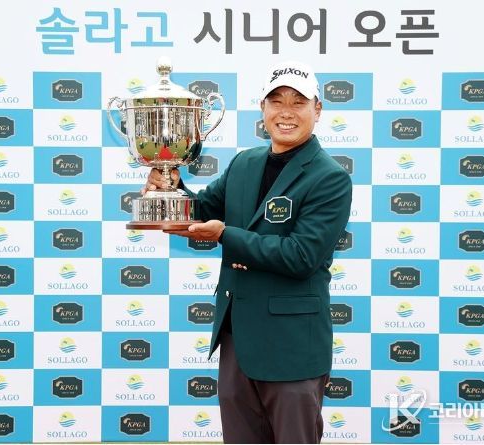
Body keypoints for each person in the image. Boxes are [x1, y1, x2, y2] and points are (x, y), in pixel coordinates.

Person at [143, 60, 352, 443]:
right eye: (276, 101)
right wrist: (170, 189)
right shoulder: (245, 162)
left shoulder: (330, 177)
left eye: (298, 102)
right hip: (238, 341)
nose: (286, 112)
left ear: (317, 109)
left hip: (292, 349)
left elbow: (300, 256)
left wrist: (225, 235)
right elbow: (204, 210)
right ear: (262, 108)